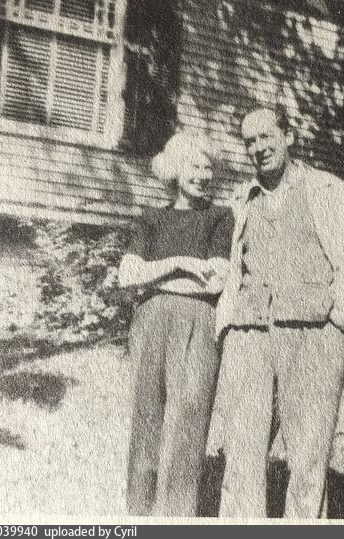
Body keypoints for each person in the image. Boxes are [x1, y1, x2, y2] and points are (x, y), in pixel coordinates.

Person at [214, 104, 344, 518]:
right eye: (250, 141)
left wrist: (338, 323)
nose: (259, 148)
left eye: (266, 136)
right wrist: (227, 327)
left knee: (308, 454)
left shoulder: (328, 190)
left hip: (313, 334)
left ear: (289, 136)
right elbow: (232, 267)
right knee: (242, 449)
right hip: (250, 334)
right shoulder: (241, 199)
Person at [119, 130, 234, 517]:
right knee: (147, 414)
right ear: (175, 169)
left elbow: (214, 281)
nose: (203, 175)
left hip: (199, 321)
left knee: (189, 417)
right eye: (194, 166)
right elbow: (127, 275)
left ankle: (175, 516)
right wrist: (181, 263)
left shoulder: (219, 217)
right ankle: (139, 512)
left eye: (208, 168)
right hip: (151, 322)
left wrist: (155, 274)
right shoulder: (151, 218)